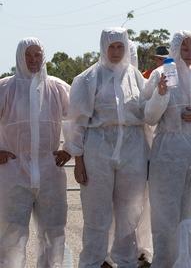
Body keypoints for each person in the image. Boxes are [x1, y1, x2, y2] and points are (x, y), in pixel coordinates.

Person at [65, 28, 149, 267]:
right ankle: (93, 261)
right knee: (96, 213)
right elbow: (77, 122)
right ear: (103, 47)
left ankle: (124, 260)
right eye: (111, 46)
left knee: (129, 212)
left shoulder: (136, 77)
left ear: (126, 47)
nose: (115, 52)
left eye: (120, 46)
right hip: (98, 148)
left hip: (132, 149)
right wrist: (78, 160)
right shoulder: (88, 78)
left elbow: (145, 113)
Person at [142, 30, 191, 267]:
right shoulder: (162, 74)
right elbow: (149, 116)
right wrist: (161, 94)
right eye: (185, 49)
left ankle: (184, 262)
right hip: (168, 152)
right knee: (165, 214)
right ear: (175, 49)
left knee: (189, 213)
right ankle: (163, 262)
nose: (190, 54)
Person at [0, 38, 71, 267]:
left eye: (38, 55)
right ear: (20, 57)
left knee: (53, 231)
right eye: (28, 55)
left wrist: (70, 149)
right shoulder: (5, 88)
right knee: (11, 232)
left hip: (50, 169)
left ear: (44, 56)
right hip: (13, 170)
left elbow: (78, 119)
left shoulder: (57, 87)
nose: (33, 60)